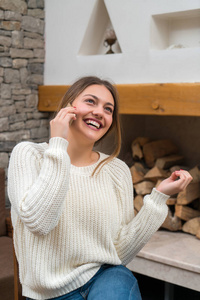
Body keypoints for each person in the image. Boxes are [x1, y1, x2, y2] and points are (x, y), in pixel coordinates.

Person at [7, 76, 192, 300]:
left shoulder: (117, 170)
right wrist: (58, 146)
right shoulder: (29, 155)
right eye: (91, 102)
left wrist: (159, 197)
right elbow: (39, 222)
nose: (99, 112)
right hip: (50, 293)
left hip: (106, 276)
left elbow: (120, 252)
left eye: (108, 109)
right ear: (68, 107)